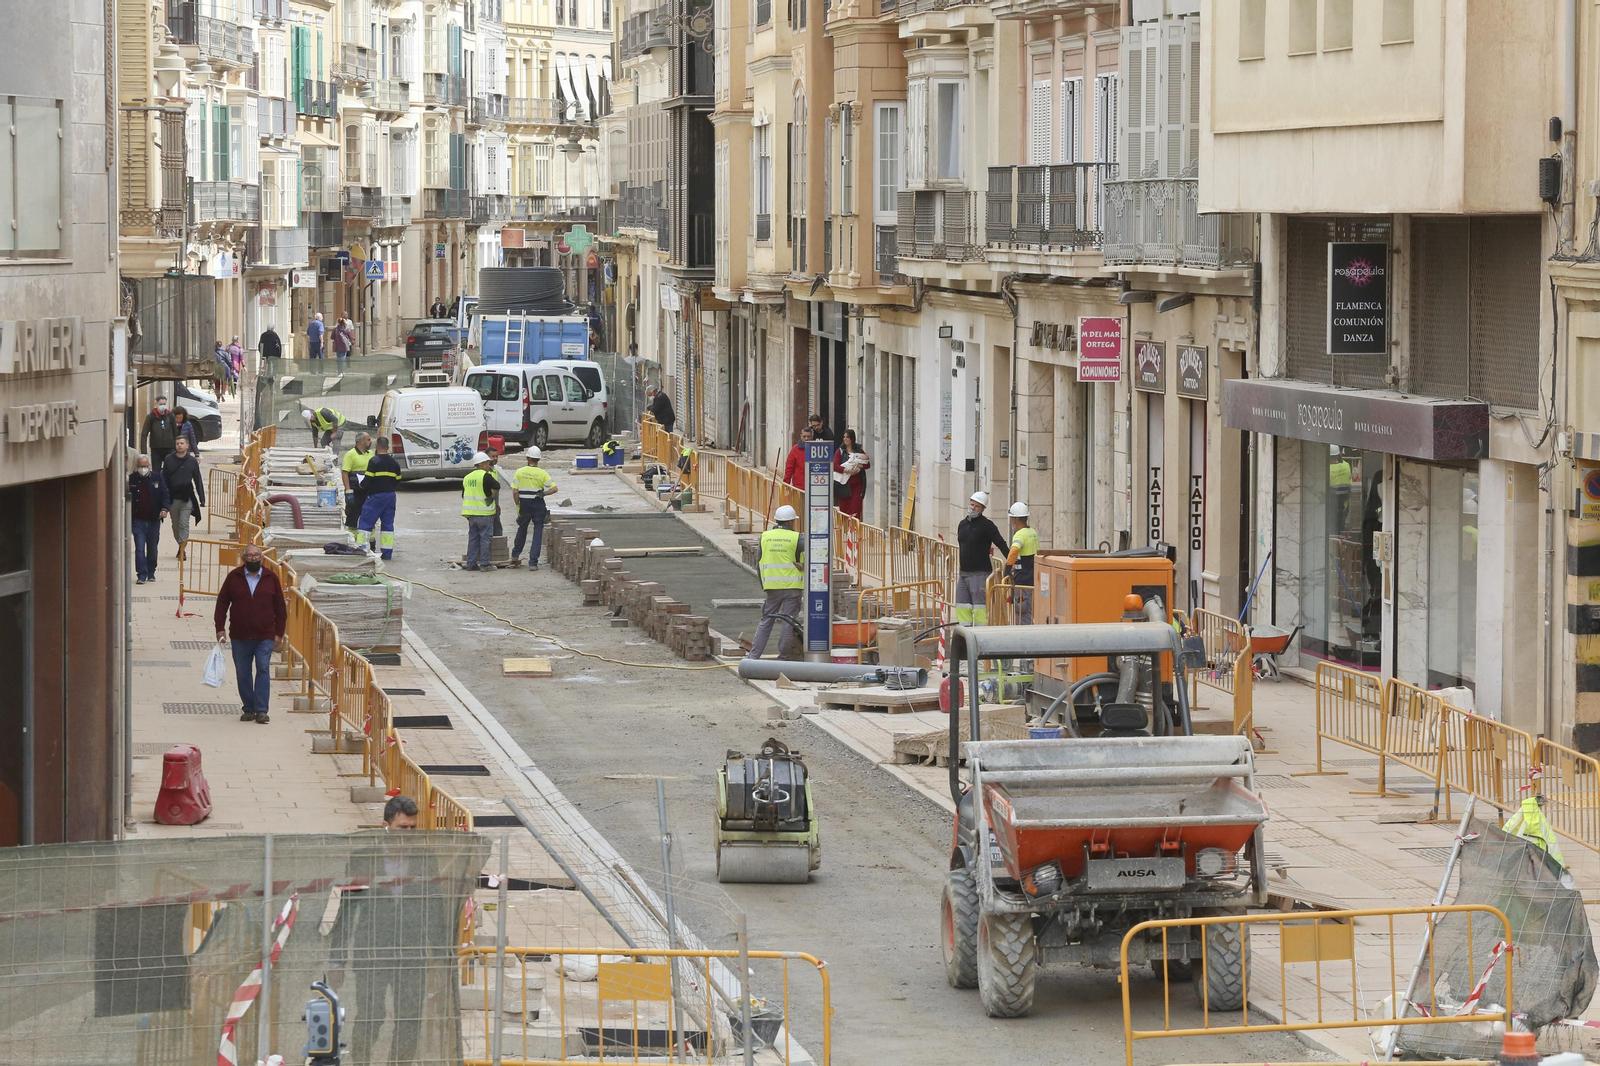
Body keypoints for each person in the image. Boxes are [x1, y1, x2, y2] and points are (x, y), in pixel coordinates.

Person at [328, 794, 454, 1066]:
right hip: (372, 952)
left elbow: (435, 910)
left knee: (409, 1017)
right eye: (402, 828)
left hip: (411, 955)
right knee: (371, 1014)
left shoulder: (424, 858)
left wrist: (443, 958)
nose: (408, 834)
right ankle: (361, 1061)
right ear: (386, 825)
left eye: (412, 828)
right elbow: (346, 911)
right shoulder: (364, 858)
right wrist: (337, 959)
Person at [214, 543, 287, 724]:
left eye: (257, 555)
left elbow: (280, 607)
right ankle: (248, 707)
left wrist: (279, 633)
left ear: (262, 558)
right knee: (243, 673)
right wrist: (220, 628)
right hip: (240, 636)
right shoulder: (234, 577)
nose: (253, 558)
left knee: (262, 668)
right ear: (243, 558)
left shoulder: (271, 578)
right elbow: (222, 603)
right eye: (249, 555)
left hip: (265, 635)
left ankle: (262, 710)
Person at [745, 505, 805, 661]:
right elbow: (816, 556)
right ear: (792, 521)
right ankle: (783, 658)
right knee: (788, 623)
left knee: (766, 620)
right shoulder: (798, 538)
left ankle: (753, 657)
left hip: (772, 587)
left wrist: (764, 585)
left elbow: (759, 564)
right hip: (793, 587)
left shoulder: (765, 536)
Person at [955, 491, 1008, 625]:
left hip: (980, 574)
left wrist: (1011, 564)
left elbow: (1001, 543)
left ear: (983, 509)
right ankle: (965, 634)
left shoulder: (987, 526)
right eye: (972, 504)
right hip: (964, 574)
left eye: (977, 506)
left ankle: (980, 634)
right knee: (962, 606)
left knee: (980, 609)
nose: (973, 508)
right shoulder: (962, 524)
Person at [509, 446, 558, 569]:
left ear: (528, 457)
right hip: (538, 505)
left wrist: (517, 504)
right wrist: (544, 493)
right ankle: (533, 563)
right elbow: (554, 488)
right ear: (538, 460)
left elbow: (515, 491)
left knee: (522, 529)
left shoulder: (520, 472)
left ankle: (515, 556)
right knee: (537, 533)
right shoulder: (542, 473)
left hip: (524, 505)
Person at [127, 454, 170, 584]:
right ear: (137, 467)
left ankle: (151, 572)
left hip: (153, 521)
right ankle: (141, 574)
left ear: (149, 466)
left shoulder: (157, 478)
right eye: (140, 466)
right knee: (139, 549)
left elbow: (165, 495)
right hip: (137, 521)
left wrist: (164, 509)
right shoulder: (132, 480)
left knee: (152, 548)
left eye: (145, 467)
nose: (143, 469)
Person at [357, 437, 402, 561]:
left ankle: (362, 549)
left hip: (375, 497)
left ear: (376, 447)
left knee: (365, 523)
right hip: (390, 496)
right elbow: (398, 480)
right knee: (388, 525)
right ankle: (387, 553)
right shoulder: (394, 463)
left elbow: (367, 480)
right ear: (388, 447)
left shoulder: (374, 461)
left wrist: (361, 485)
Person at [162, 436, 206, 551]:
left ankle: (182, 548)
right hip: (173, 498)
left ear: (187, 446)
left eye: (182, 443)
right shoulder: (169, 459)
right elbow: (164, 479)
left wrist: (202, 499)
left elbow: (198, 479)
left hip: (187, 498)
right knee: (176, 525)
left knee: (184, 524)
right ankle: (180, 543)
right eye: (177, 443)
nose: (179, 445)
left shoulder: (192, 462)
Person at [461, 451, 499, 571]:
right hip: (484, 514)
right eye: (488, 463)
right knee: (485, 539)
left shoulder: (467, 477)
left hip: (471, 515)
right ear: (482, 464)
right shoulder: (485, 476)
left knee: (473, 539)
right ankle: (485, 564)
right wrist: (492, 497)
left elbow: (464, 495)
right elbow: (497, 486)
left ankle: (471, 563)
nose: (489, 465)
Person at [1004, 501, 1039, 626]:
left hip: (1023, 581)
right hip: (1033, 578)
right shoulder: (1033, 532)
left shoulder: (1020, 534)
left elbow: (1014, 550)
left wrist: (1007, 569)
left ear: (1014, 519)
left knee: (1022, 615)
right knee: (1029, 612)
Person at [832, 429, 870, 519]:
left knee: (855, 508)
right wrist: (848, 471)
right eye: (844, 437)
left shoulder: (859, 451)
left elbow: (867, 464)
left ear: (852, 439)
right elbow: (835, 466)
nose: (845, 439)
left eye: (847, 437)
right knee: (844, 510)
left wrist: (858, 465)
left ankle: (854, 529)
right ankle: (844, 530)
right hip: (843, 486)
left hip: (857, 485)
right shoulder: (840, 452)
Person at [342, 433, 374, 530]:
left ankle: (368, 541)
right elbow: (345, 473)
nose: (371, 441)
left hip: (368, 491)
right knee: (352, 517)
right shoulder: (350, 455)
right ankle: (351, 540)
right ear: (362, 441)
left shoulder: (371, 454)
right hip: (355, 492)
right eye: (369, 439)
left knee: (369, 516)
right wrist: (348, 491)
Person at [140, 395, 178, 470]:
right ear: (156, 404)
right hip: (156, 449)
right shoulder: (151, 417)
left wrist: (176, 448)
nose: (162, 406)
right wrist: (144, 452)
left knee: (170, 470)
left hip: (169, 448)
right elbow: (144, 434)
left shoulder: (170, 416)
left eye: (164, 404)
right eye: (160, 404)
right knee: (156, 470)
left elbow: (175, 432)